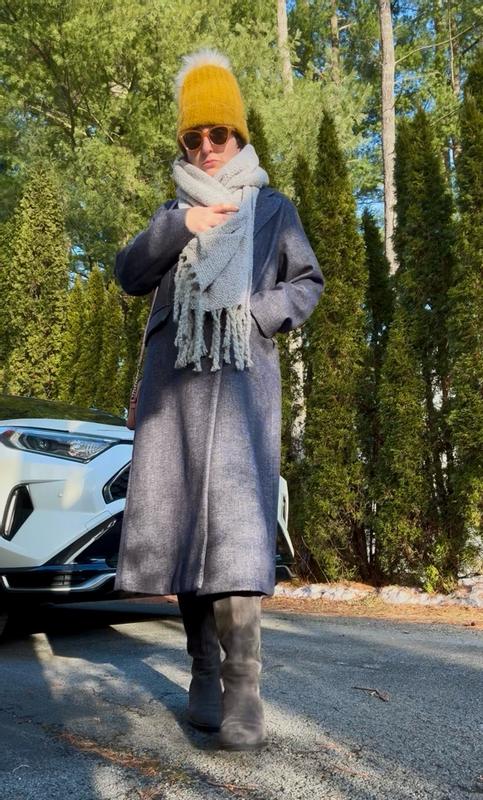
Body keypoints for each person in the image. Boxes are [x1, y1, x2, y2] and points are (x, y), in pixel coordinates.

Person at [114, 48, 324, 751]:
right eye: (194, 136)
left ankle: (242, 688)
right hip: (174, 392)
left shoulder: (273, 209)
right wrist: (183, 226)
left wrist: (257, 315)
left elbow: (307, 283)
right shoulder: (174, 211)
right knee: (182, 529)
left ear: (238, 136)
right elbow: (128, 274)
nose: (207, 147)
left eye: (219, 133)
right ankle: (202, 672)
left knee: (233, 530)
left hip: (239, 389)